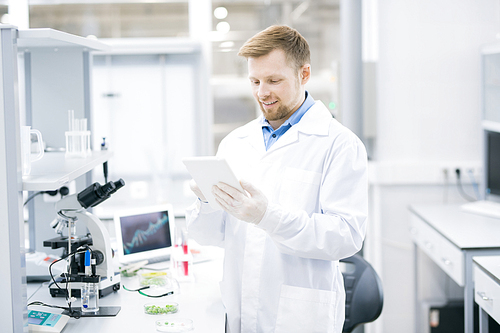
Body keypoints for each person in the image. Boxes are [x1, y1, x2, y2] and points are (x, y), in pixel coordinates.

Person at [186, 25, 368, 333]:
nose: (261, 92)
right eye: (255, 81)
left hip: (300, 317)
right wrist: (205, 201)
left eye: (273, 80)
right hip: (239, 309)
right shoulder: (235, 143)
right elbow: (210, 236)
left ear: (304, 74)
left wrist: (268, 217)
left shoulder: (339, 144)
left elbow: (346, 236)